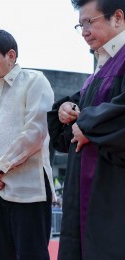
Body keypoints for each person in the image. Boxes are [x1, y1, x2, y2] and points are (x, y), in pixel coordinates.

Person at [0, 29, 56, 260]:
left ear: (10, 55)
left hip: (29, 190)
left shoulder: (34, 81)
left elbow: (35, 132)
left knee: (31, 255)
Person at [47, 0, 125, 259]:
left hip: (112, 191)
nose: (84, 31)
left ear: (117, 17)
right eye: (80, 25)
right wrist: (66, 110)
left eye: (90, 22)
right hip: (83, 192)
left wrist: (87, 124)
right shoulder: (102, 68)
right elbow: (81, 114)